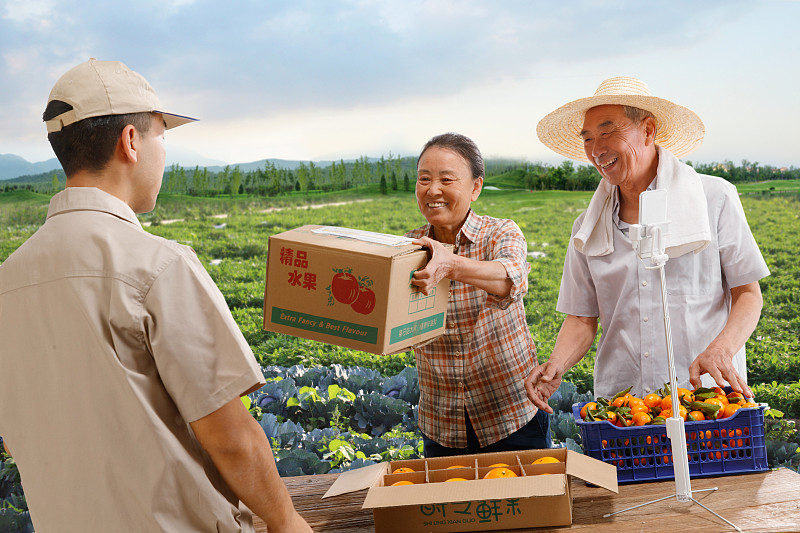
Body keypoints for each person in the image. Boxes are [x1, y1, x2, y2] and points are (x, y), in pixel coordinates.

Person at [0, 59, 312, 533]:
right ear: (130, 141)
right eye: (161, 134)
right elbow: (231, 440)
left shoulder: (10, 278)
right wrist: (287, 521)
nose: (164, 151)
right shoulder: (157, 265)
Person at [525, 77, 770, 412]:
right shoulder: (587, 227)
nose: (597, 149)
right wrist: (556, 365)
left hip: (707, 400)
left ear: (648, 130)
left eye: (608, 131)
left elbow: (748, 293)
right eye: (589, 138)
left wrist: (722, 348)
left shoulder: (713, 198)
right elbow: (582, 318)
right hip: (624, 408)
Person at [407, 132, 550, 457]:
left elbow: (509, 278)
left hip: (513, 417)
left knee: (527, 505)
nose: (433, 190)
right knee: (450, 507)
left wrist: (450, 265)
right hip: (443, 425)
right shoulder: (409, 248)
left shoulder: (501, 232)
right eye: (424, 179)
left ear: (475, 187)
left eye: (446, 179)